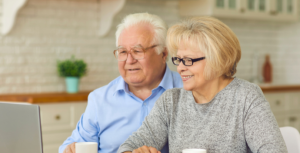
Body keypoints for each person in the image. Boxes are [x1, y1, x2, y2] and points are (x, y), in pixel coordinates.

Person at [117, 17, 287, 153]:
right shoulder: (171, 101)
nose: (181, 68)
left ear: (218, 60)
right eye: (179, 59)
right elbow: (130, 145)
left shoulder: (245, 96)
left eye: (189, 60)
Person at [59, 13, 183, 153]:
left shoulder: (189, 92)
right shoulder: (100, 99)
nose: (129, 60)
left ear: (164, 54)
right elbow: (73, 144)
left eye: (137, 51)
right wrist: (68, 150)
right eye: (123, 52)